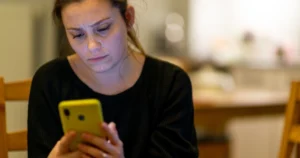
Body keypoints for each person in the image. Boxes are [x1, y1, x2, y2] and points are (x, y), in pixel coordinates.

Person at [27, 0, 199, 157]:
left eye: (103, 28)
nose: (92, 46)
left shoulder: (170, 83)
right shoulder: (49, 81)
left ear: (128, 18)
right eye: (77, 35)